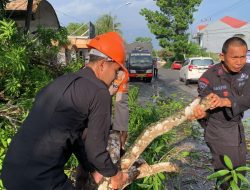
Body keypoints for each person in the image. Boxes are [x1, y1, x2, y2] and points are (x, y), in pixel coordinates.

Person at [1, 32, 128, 190]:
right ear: (102, 64)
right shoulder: (99, 92)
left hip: (11, 172)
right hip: (41, 179)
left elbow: (74, 138)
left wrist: (92, 168)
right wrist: (116, 175)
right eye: (116, 71)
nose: (115, 77)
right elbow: (96, 151)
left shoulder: (62, 81)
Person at [190, 37, 250, 189]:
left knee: (241, 169)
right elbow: (203, 110)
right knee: (228, 175)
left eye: (243, 56)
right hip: (217, 130)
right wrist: (200, 113)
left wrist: (226, 101)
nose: (239, 62)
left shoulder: (248, 71)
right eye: (234, 57)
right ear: (222, 57)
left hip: (237, 127)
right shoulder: (208, 78)